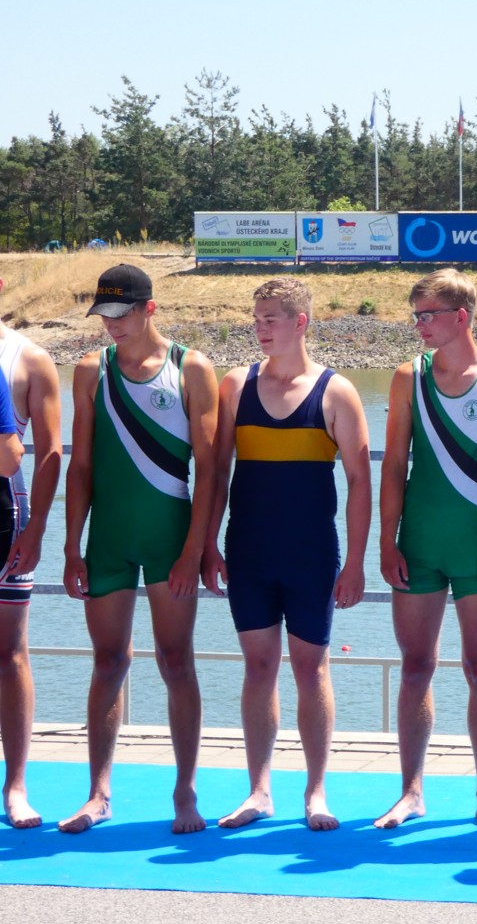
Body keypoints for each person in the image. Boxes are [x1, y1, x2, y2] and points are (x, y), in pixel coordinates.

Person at [204, 278, 370, 832]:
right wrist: (207, 544)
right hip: (249, 550)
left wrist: (356, 562)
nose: (260, 328)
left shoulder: (336, 392)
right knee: (258, 666)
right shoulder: (236, 385)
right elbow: (217, 474)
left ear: (300, 322)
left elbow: (360, 481)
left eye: (270, 318)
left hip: (311, 554)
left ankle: (316, 790)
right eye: (256, 319)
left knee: (310, 667)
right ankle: (258, 790)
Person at [60, 264, 218, 834]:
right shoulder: (90, 370)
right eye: (103, 315)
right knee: (108, 661)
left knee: (176, 661)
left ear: (149, 308)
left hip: (170, 538)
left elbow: (210, 469)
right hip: (108, 539)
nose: (111, 324)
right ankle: (98, 793)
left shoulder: (191, 368)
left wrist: (196, 549)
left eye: (121, 313)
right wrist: (71, 547)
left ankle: (185, 792)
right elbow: (81, 467)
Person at [374, 269, 477, 831]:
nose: (419, 325)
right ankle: (411, 792)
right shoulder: (407, 377)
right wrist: (386, 542)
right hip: (418, 545)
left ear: (460, 317)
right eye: (415, 316)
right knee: (416, 667)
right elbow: (393, 465)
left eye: (427, 315)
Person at [0, 277, 61, 830]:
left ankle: (15, 784)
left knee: (10, 651)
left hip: (8, 510)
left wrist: (39, 526)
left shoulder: (29, 358)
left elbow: (48, 451)